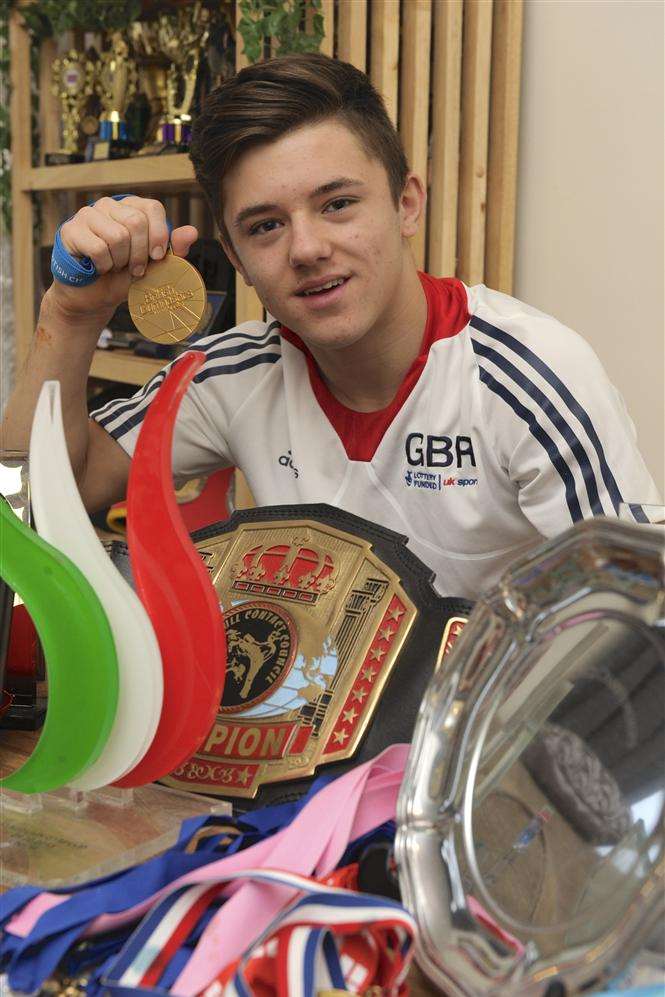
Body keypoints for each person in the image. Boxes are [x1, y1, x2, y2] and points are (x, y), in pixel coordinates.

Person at [1, 53, 660, 598]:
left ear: (405, 203)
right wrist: (70, 312)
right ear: (234, 257)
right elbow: (32, 501)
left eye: (337, 204)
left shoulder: (529, 373)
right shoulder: (228, 377)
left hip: (486, 743)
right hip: (307, 740)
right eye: (265, 225)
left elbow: (635, 621)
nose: (307, 247)